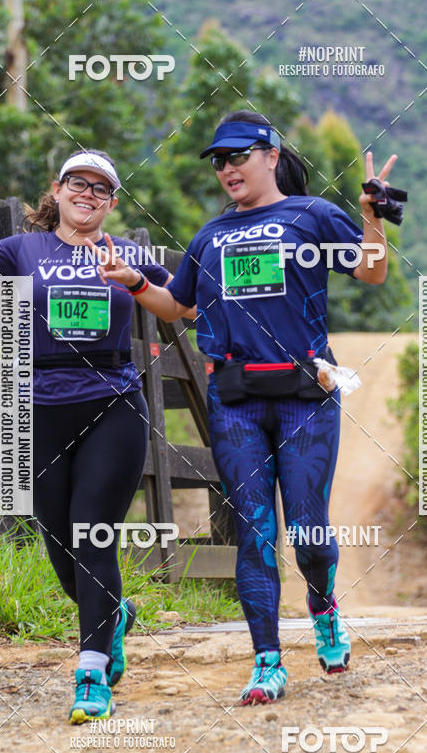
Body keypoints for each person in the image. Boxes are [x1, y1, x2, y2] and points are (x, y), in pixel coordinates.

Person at [93, 111, 397, 705]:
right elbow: (176, 306)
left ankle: (324, 606)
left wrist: (370, 219)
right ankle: (266, 662)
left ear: (270, 155)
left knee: (307, 529)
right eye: (218, 160)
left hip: (306, 397)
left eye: (237, 156)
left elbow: (371, 272)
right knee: (256, 533)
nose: (227, 168)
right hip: (235, 403)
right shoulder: (209, 236)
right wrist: (132, 281)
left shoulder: (311, 217)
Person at [0, 149, 185, 723]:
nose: (88, 194)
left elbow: (184, 307)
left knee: (93, 531)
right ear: (59, 189)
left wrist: (137, 281)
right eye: (79, 183)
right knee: (58, 541)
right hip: (34, 409)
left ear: (111, 203)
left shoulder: (128, 253)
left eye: (101, 188)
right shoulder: (22, 250)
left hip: (112, 404)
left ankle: (90, 672)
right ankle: (114, 616)